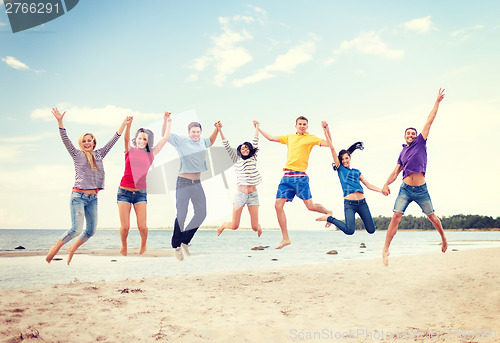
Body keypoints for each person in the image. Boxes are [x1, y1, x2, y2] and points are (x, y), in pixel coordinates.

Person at [46, 108, 129, 265]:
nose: (86, 142)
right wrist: (60, 122)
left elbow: (114, 139)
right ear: (81, 144)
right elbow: (65, 139)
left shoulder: (99, 154)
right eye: (84, 141)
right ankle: (56, 247)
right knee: (76, 229)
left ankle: (72, 249)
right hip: (78, 197)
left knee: (91, 231)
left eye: (89, 140)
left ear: (93, 142)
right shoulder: (76, 155)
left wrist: (124, 124)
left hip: (93, 198)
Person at [381, 88, 448, 266]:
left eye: (413, 133)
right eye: (408, 133)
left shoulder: (420, 141)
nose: (411, 135)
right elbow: (395, 172)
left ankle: (443, 238)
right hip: (405, 189)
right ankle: (386, 249)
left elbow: (429, 121)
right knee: (395, 217)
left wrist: (437, 102)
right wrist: (386, 185)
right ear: (404, 136)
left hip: (421, 190)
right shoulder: (402, 152)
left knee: (432, 217)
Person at [257, 116, 332, 249]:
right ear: (296, 126)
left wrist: (326, 129)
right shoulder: (289, 137)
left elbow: (329, 144)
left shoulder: (311, 138)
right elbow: (271, 138)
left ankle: (328, 212)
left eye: (304, 124)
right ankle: (285, 238)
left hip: (300, 177)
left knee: (310, 206)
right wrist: (258, 128)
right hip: (286, 177)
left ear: (307, 127)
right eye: (300, 124)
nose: (302, 126)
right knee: (277, 205)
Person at [161, 118, 219, 260]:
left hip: (196, 183)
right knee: (182, 214)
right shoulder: (181, 141)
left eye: (198, 132)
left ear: (200, 132)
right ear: (188, 132)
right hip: (183, 183)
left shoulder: (202, 142)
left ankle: (185, 240)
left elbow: (211, 141)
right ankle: (176, 246)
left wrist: (217, 128)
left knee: (202, 213)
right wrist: (166, 121)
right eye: (193, 132)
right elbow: (165, 135)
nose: (195, 134)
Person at [316, 121, 386, 234]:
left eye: (346, 158)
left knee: (371, 230)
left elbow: (368, 185)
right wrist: (326, 130)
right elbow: (332, 148)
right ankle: (329, 218)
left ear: (350, 158)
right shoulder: (340, 169)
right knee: (349, 231)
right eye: (342, 159)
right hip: (349, 204)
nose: (344, 161)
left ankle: (330, 218)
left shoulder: (357, 172)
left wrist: (381, 190)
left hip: (362, 203)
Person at [117, 112, 172, 256]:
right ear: (136, 139)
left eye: (145, 139)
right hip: (124, 192)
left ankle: (143, 245)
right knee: (125, 227)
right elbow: (126, 138)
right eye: (140, 138)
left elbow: (165, 138)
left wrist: (167, 121)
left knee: (143, 227)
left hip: (140, 193)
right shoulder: (129, 150)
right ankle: (124, 245)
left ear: (148, 141)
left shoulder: (151, 154)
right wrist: (128, 125)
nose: (142, 141)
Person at [216, 120, 262, 237]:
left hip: (253, 195)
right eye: (242, 149)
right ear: (240, 151)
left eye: (247, 148)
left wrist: (256, 127)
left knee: (255, 227)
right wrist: (219, 130)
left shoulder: (253, 158)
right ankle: (223, 225)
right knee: (234, 226)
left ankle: (259, 227)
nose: (245, 150)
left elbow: (256, 140)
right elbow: (226, 144)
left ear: (250, 150)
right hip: (240, 195)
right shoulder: (236, 159)